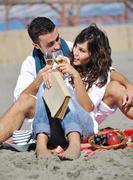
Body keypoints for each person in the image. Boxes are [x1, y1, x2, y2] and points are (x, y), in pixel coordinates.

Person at [0, 17, 133, 144]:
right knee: (26, 99)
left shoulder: (70, 49)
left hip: (80, 113)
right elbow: (19, 101)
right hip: (50, 120)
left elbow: (105, 69)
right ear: (36, 45)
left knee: (116, 87)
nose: (57, 46)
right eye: (50, 44)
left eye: (57, 38)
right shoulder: (30, 64)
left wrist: (128, 85)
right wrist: (38, 81)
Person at [32, 23, 133, 159]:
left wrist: (75, 76)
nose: (76, 53)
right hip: (60, 130)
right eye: (76, 47)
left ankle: (75, 145)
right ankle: (41, 145)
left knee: (66, 91)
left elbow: (88, 107)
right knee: (47, 83)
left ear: (94, 55)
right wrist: (54, 76)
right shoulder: (66, 62)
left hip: (84, 128)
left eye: (82, 51)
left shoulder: (101, 76)